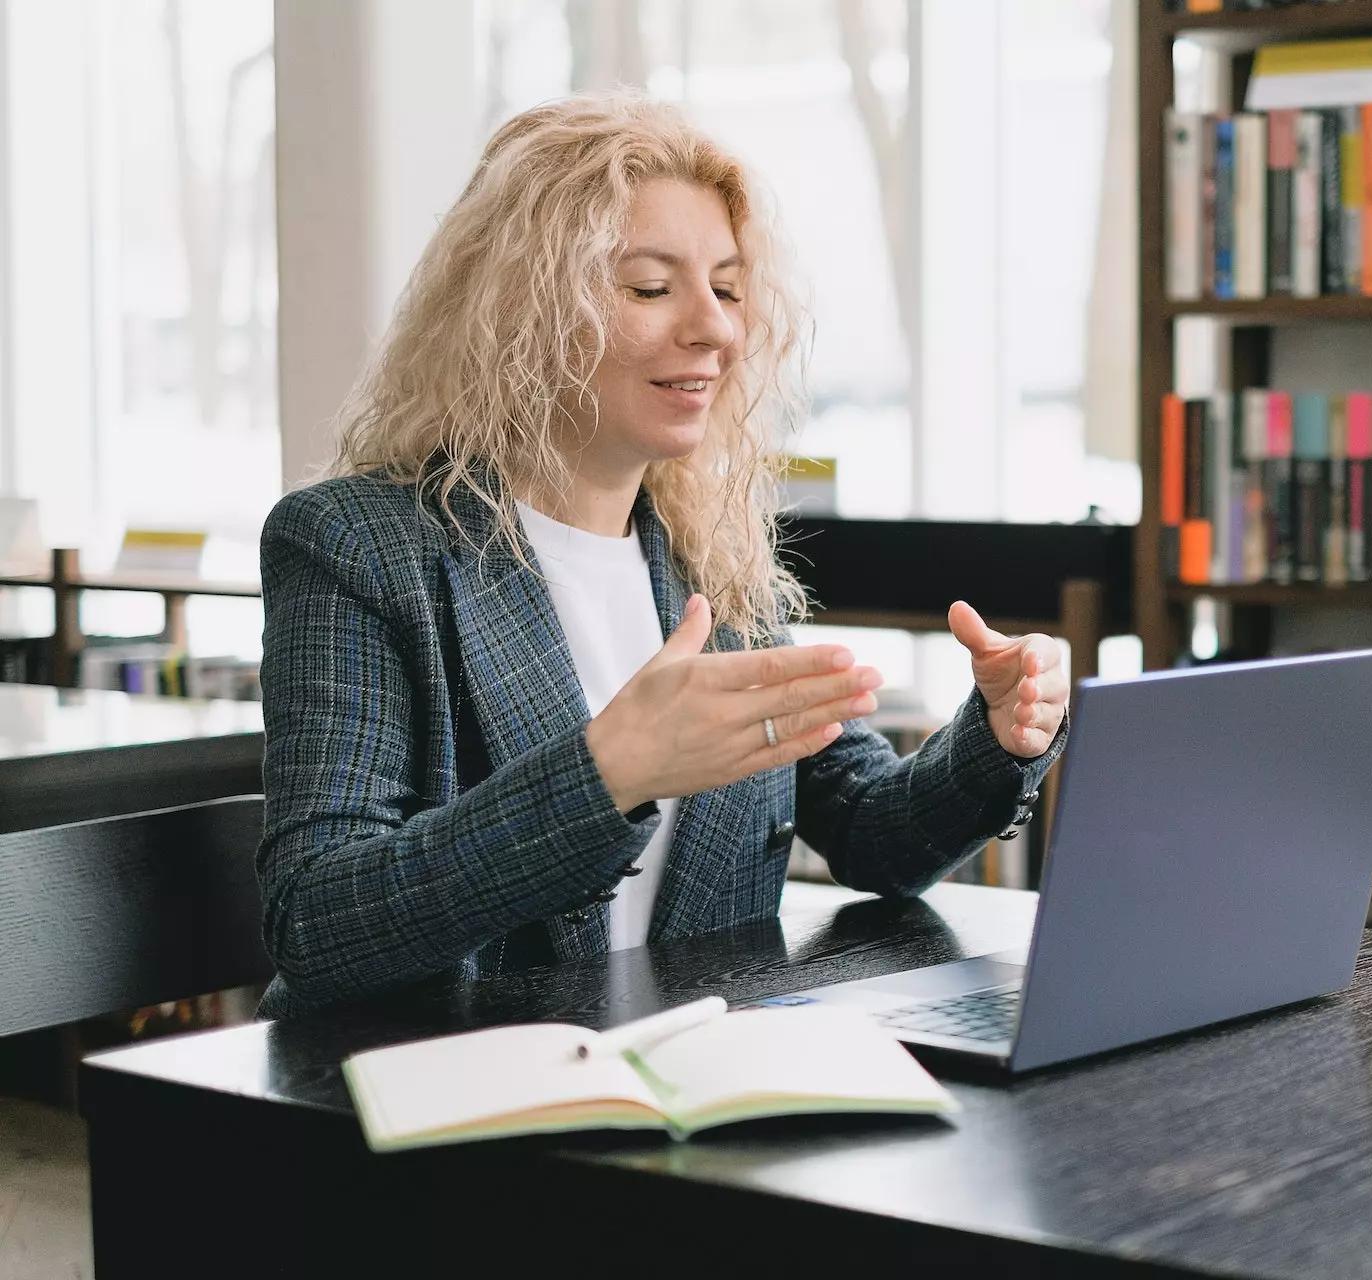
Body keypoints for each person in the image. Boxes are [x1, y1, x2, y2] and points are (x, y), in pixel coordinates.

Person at [254, 91, 1070, 1018]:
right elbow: (320, 920)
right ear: (523, 309)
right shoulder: (353, 545)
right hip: (442, 1107)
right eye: (651, 287)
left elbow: (872, 829)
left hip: (687, 1095)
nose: (716, 329)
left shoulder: (710, 557)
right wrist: (610, 772)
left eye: (726, 288)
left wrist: (998, 736)